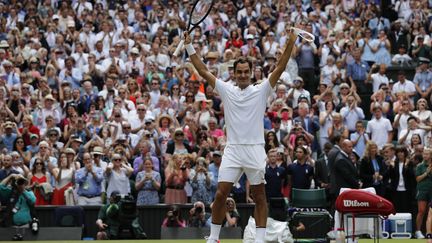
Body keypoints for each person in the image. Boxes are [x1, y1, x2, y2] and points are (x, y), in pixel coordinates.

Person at [182, 28, 298, 243]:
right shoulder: (226, 89)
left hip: (254, 150)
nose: (243, 74)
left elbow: (280, 66)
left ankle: (260, 240)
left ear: (252, 72)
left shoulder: (262, 89)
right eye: (240, 71)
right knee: (220, 195)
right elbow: (203, 71)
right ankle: (214, 238)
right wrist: (189, 46)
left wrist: (291, 40)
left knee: (260, 197)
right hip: (233, 150)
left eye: (247, 71)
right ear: (234, 73)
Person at [0, 174, 36, 240]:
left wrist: (23, 190)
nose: (20, 184)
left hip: (26, 226)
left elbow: (32, 201)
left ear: (25, 184)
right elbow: (0, 187)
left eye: (22, 182)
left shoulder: (29, 192)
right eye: (19, 182)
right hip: (11, 226)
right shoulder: (10, 192)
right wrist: (10, 176)